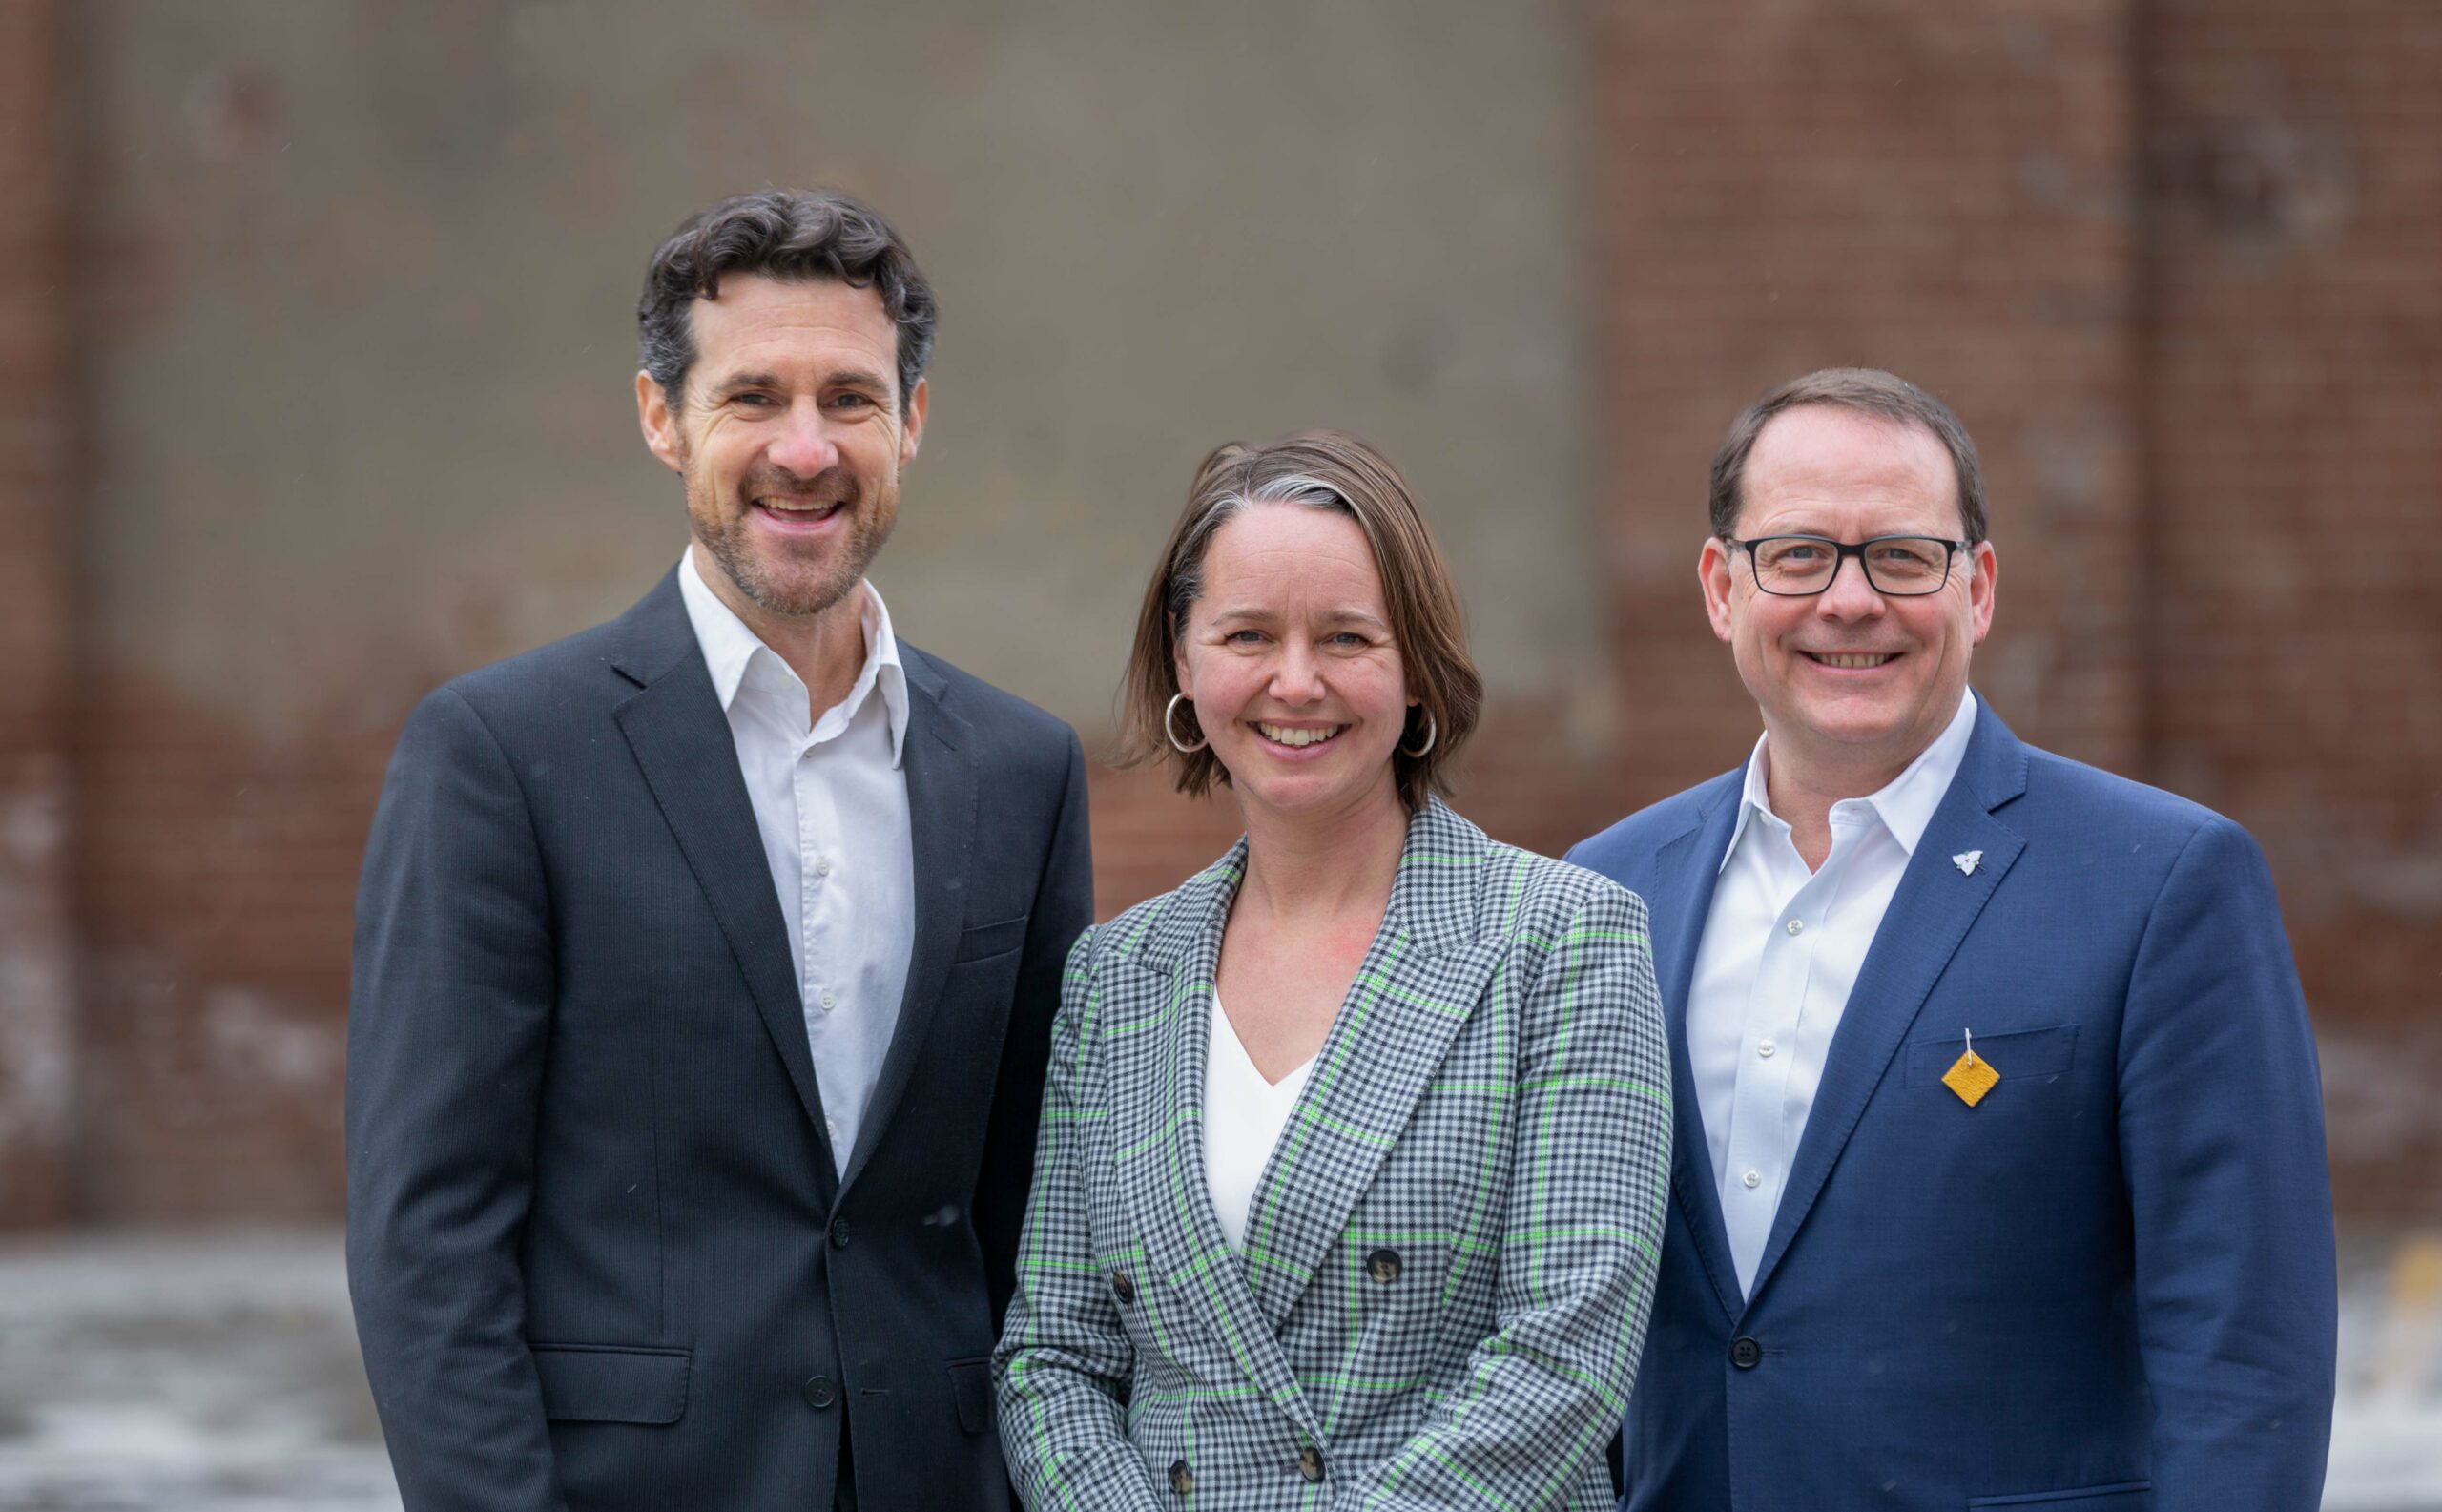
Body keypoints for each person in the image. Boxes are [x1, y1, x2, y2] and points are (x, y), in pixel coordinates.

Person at [347, 190, 1093, 1510]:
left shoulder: (1021, 770)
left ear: (911, 425)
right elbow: (430, 1237)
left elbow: (1038, 1211)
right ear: (661, 417)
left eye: (851, 400)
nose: (804, 450)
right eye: (753, 396)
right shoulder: (501, 756)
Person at [1569, 368, 2337, 1510]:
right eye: (1796, 555)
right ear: (1720, 588)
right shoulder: (1604, 893)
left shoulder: (2161, 881)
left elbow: (2243, 1347)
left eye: (1900, 555)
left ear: (1975, 588)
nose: (1849, 600)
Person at [993, 431, 1670, 1510]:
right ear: (1184, 660)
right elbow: (1052, 1358)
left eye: (1347, 637)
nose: (1295, 682)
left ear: (1415, 669)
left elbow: (1566, 1352)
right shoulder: (1115, 976)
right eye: (1248, 633)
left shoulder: (1566, 940)